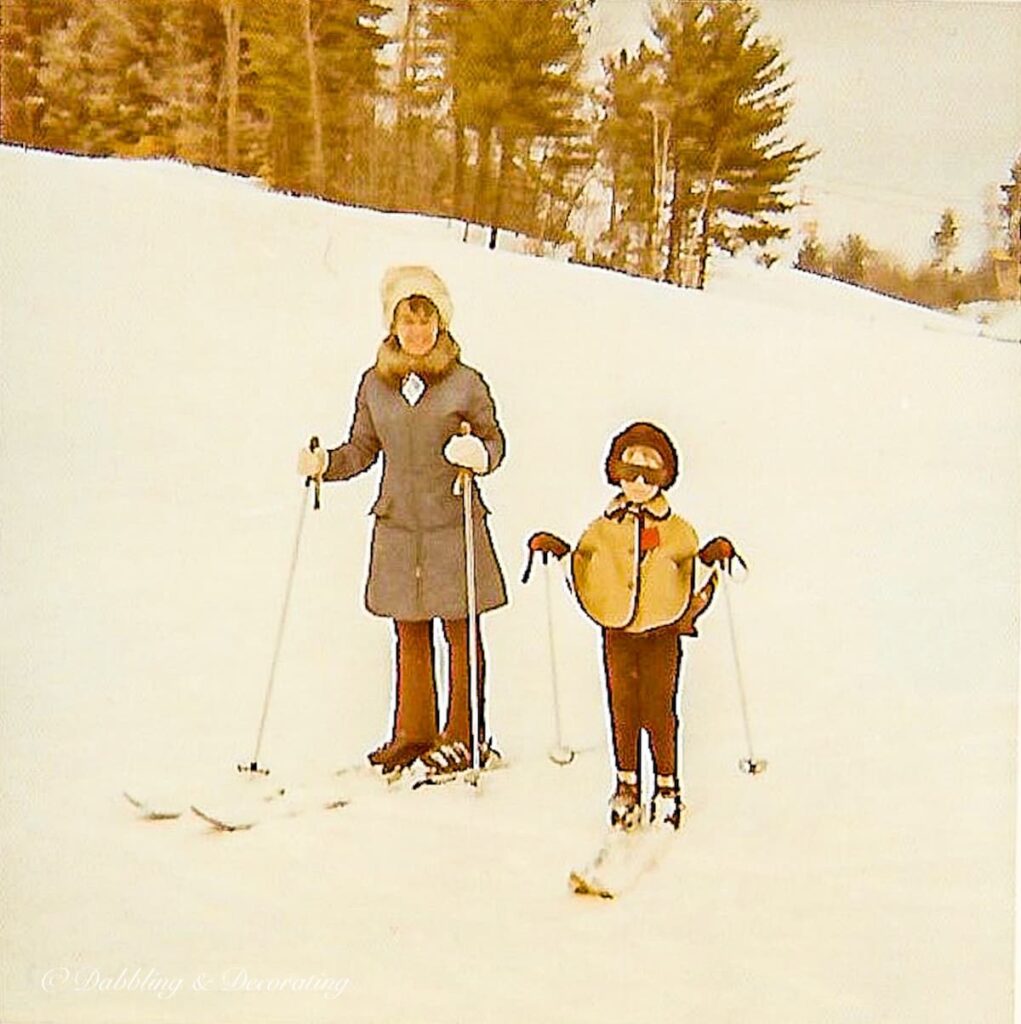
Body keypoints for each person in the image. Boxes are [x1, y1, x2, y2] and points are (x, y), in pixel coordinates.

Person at [298, 265, 508, 776]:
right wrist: (327, 463)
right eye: (407, 320)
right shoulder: (376, 385)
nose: (417, 331)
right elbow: (363, 448)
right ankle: (413, 732)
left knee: (461, 631)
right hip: (398, 526)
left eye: (426, 319)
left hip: (450, 523)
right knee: (410, 632)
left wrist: (478, 453)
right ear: (392, 324)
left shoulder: (465, 384)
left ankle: (464, 733)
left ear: (441, 322)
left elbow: (495, 443)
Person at [527, 422, 739, 830]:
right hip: (616, 630)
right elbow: (584, 563)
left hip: (661, 631)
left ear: (665, 478)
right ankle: (626, 783)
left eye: (650, 474)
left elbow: (693, 574)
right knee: (622, 705)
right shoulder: (604, 527)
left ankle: (667, 785)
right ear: (615, 473)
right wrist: (557, 551)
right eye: (630, 473)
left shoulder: (677, 530)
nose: (639, 484)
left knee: (659, 708)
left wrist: (711, 560)